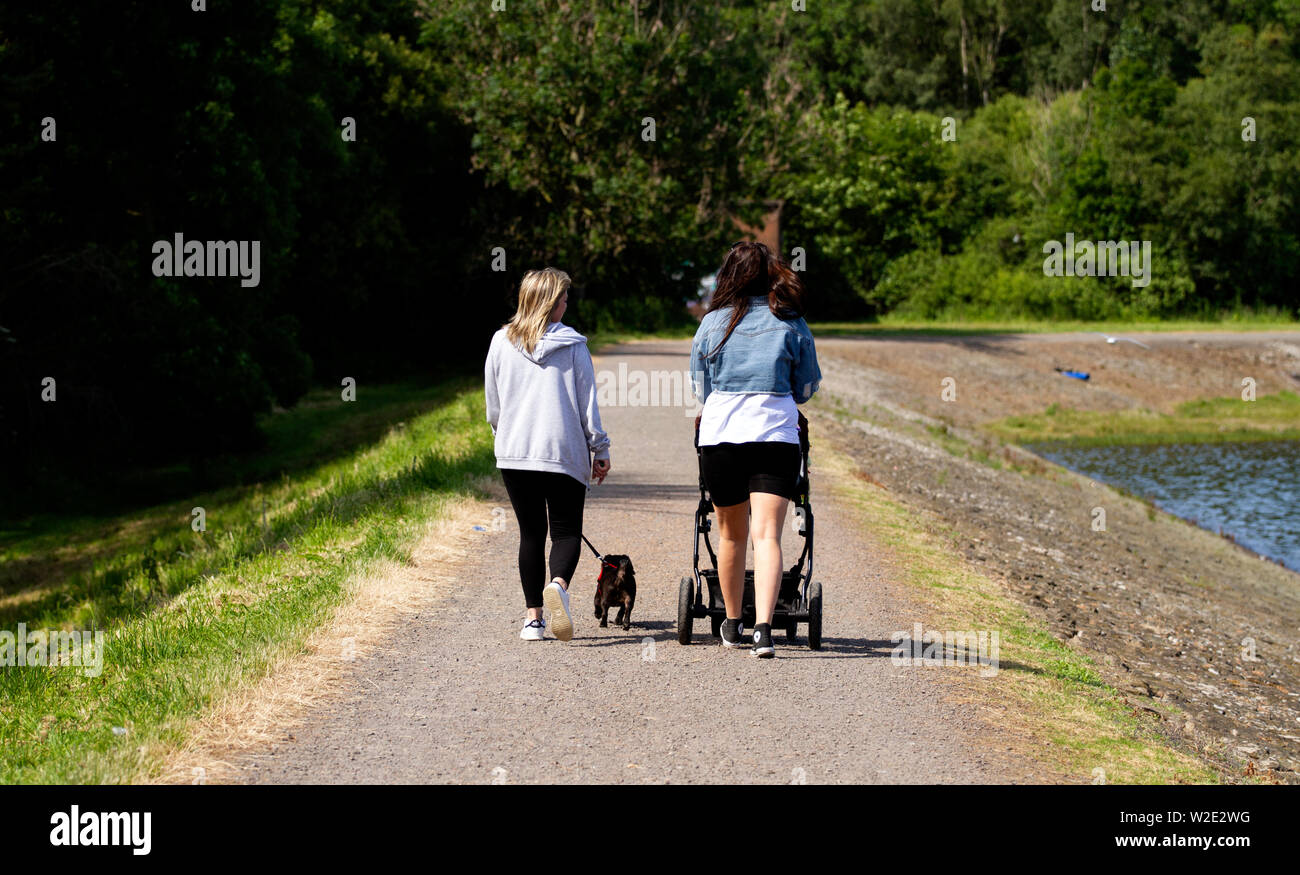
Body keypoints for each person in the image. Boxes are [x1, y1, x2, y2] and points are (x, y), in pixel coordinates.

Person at [689, 241, 821, 657]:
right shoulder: (791, 321)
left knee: (730, 535)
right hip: (773, 436)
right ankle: (764, 630)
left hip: (722, 436)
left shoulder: (711, 324)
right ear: (770, 275)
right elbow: (807, 386)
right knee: (768, 535)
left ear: (727, 276)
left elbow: (701, 388)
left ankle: (732, 622)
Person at [485, 267, 611, 641]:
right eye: (564, 298)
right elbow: (588, 404)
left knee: (530, 534)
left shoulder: (499, 342)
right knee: (566, 531)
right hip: (562, 451)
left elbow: (493, 405)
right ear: (551, 303)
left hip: (515, 453)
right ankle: (557, 585)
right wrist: (600, 448)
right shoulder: (573, 346)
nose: (567, 304)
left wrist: (503, 434)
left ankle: (533, 620)